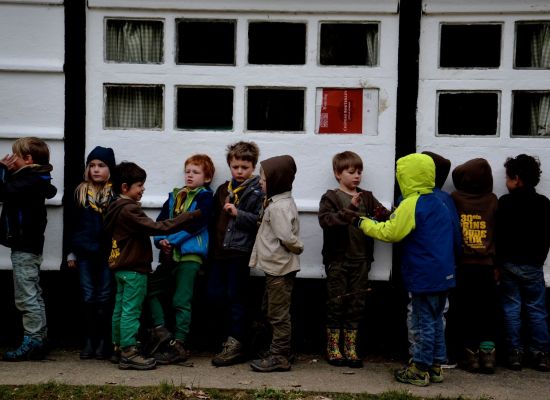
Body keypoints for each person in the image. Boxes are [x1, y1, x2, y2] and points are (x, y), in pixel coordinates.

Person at [354, 153, 456, 386]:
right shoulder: (439, 201)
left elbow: (392, 232)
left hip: (423, 275)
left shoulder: (411, 203)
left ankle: (419, 369)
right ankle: (436, 366)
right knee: (437, 319)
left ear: (406, 176)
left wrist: (363, 222)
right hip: (444, 273)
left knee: (422, 322)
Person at [103, 161, 205, 370]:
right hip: (134, 269)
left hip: (119, 267)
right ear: (125, 188)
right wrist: (188, 216)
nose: (143, 189)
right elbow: (158, 226)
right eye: (139, 185)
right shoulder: (129, 209)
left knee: (120, 310)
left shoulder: (114, 207)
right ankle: (129, 351)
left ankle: (117, 348)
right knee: (131, 311)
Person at [318, 151, 390, 368]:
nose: (357, 176)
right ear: (338, 174)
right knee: (336, 302)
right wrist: (349, 210)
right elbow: (326, 221)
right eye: (351, 172)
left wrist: (400, 212)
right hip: (338, 261)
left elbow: (384, 215)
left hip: (361, 261)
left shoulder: (366, 197)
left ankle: (350, 347)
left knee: (356, 304)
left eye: (359, 172)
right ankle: (333, 347)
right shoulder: (330, 197)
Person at [144, 154, 215, 365]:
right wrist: (160, 241)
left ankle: (179, 344)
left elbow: (197, 225)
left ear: (207, 178)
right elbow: (159, 222)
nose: (190, 175)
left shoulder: (205, 198)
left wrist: (172, 240)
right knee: (149, 290)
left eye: (196, 172)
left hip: (189, 256)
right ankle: (160, 330)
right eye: (188, 171)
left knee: (181, 300)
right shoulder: (175, 196)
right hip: (168, 255)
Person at [0, 137, 57, 361]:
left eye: (15, 155)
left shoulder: (28, 181)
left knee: (26, 297)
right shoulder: (32, 179)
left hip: (25, 246)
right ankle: (40, 338)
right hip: (28, 245)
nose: (11, 159)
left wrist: (2, 168)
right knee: (34, 293)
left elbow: (2, 192)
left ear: (28, 159)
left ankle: (33, 339)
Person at [208, 142, 264, 367]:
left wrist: (238, 213)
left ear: (253, 167)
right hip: (218, 253)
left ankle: (237, 341)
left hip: (239, 254)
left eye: (245, 167)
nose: (240, 171)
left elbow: (260, 221)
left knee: (236, 297)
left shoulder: (257, 191)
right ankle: (225, 337)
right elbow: (212, 220)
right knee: (214, 294)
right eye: (235, 166)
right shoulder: (223, 189)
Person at [249, 155, 303, 372]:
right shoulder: (277, 202)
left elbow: (287, 237)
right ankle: (281, 349)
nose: (259, 182)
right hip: (276, 267)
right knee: (271, 309)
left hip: (280, 269)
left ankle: (280, 355)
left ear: (277, 180)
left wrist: (298, 247)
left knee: (277, 314)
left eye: (263, 179)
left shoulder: (278, 208)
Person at [496, 154, 550, 372]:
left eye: (508, 178)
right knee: (537, 309)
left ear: (516, 179)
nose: (506, 183)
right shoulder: (544, 204)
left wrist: (498, 264)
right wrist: (539, 259)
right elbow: (546, 235)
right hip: (533, 265)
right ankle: (540, 354)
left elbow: (498, 236)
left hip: (509, 265)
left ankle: (514, 353)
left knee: (511, 308)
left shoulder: (505, 203)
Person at [66, 146, 116, 360]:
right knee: (88, 296)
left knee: (105, 296)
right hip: (84, 252)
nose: (96, 170)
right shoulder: (79, 193)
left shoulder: (114, 195)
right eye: (92, 165)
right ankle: (89, 339)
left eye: (101, 166)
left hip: (106, 254)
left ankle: (105, 341)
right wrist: (70, 253)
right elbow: (71, 224)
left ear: (110, 169)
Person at [451, 158, 498, 374]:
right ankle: (489, 355)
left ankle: (471, 356)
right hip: (487, 266)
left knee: (465, 311)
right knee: (487, 311)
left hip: (464, 266)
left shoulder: (456, 199)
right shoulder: (492, 200)